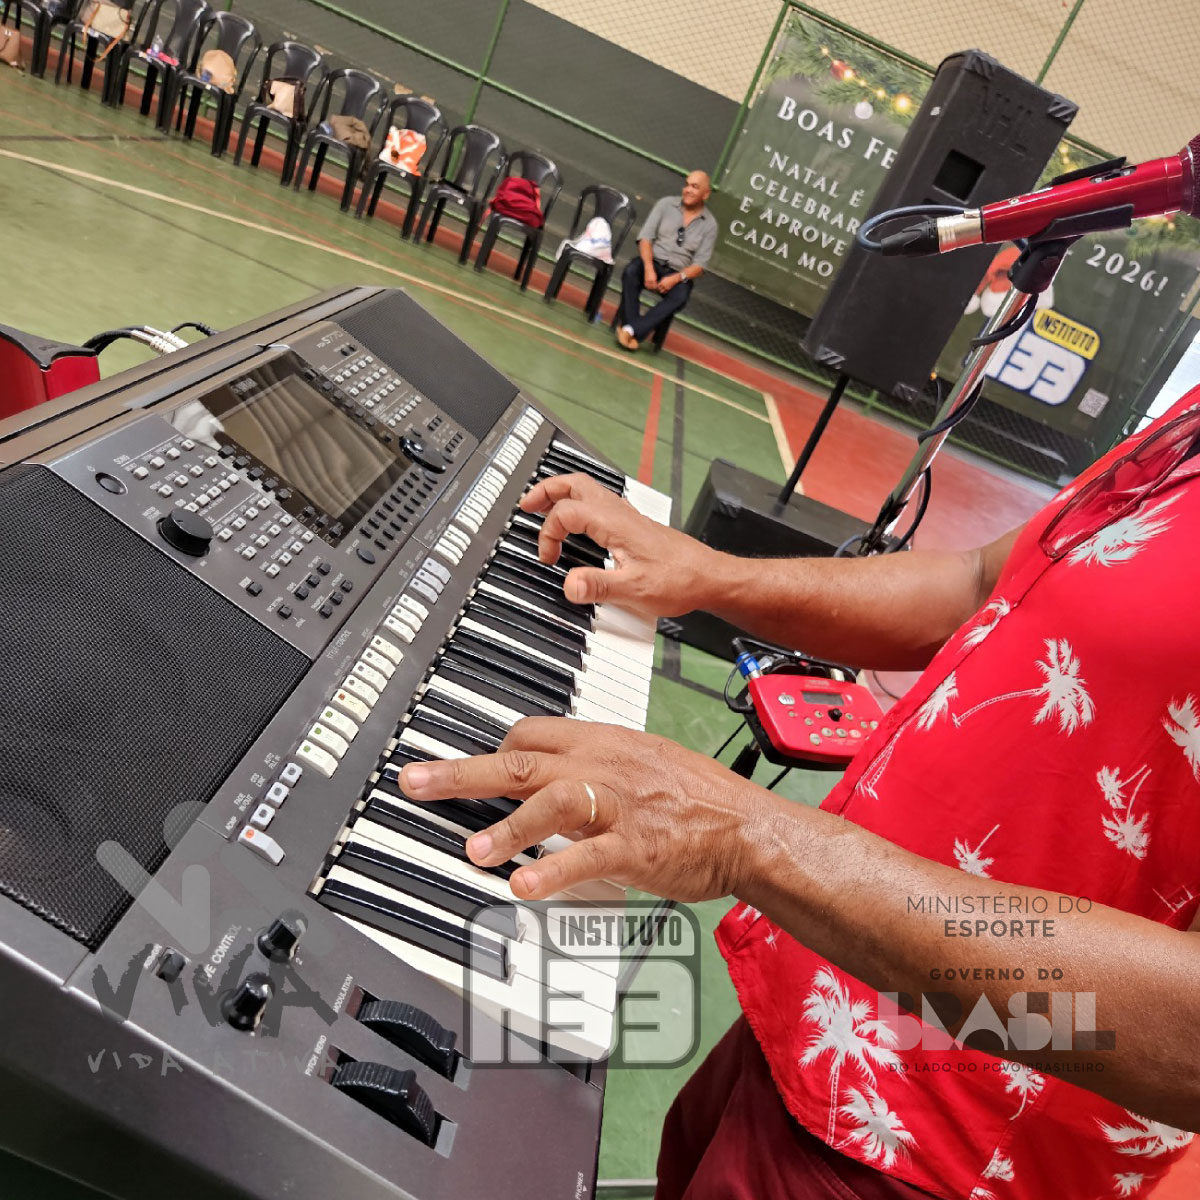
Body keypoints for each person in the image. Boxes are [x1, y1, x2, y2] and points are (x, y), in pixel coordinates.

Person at [397, 389, 1200, 1200]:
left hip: (935, 1145)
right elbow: (982, 581)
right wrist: (714, 575)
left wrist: (753, 838)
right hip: (825, 985)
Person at [616, 170, 716, 351]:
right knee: (631, 272)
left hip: (678, 273)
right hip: (652, 261)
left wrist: (676, 278)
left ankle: (630, 330)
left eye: (695, 187)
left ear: (706, 194)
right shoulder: (665, 204)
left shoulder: (710, 225)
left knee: (680, 297)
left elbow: (700, 266)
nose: (688, 190)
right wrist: (648, 269)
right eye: (686, 185)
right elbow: (645, 238)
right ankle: (632, 330)